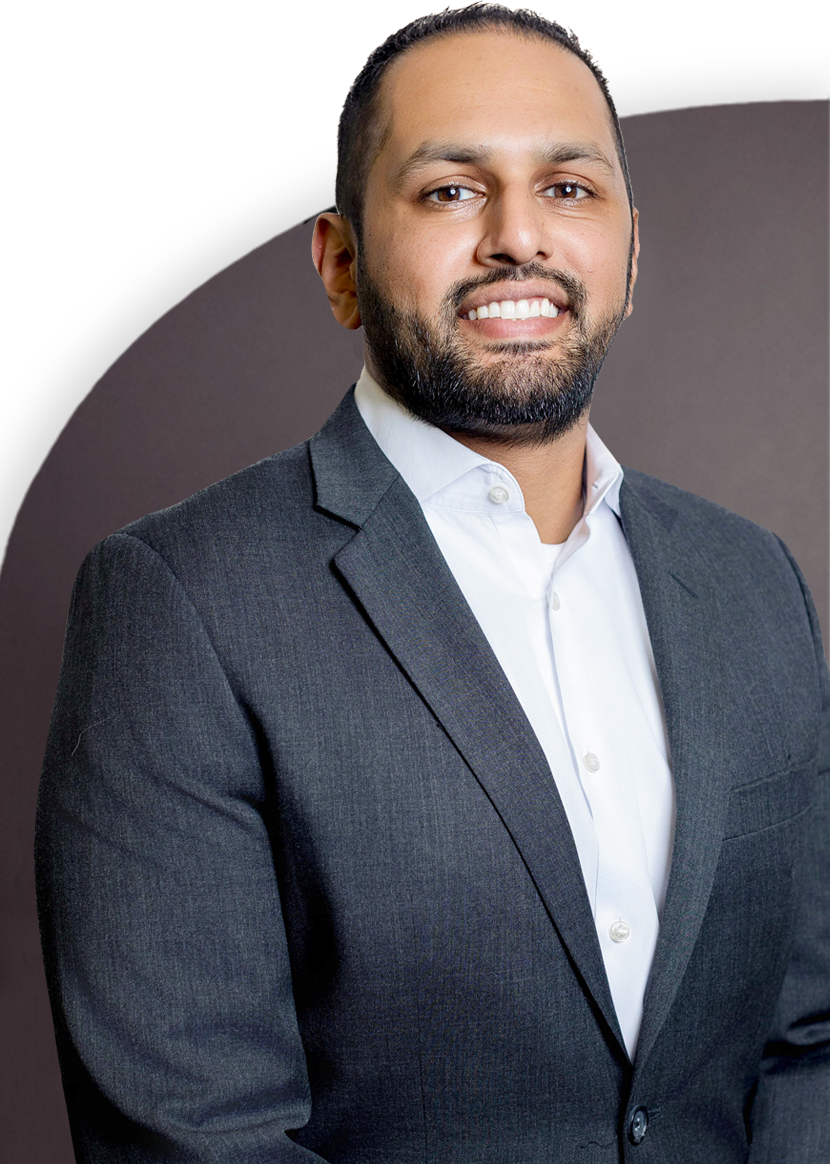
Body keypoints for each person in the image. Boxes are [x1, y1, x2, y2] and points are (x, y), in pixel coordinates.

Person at [35, 4, 829, 1161]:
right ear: (342, 263)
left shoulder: (751, 579)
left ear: (628, 247)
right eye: (450, 190)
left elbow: (805, 1040)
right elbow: (193, 1136)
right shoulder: (178, 602)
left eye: (568, 188)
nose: (520, 238)